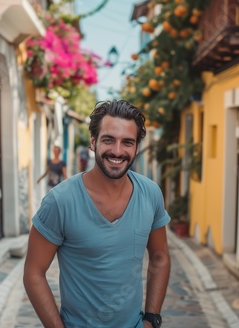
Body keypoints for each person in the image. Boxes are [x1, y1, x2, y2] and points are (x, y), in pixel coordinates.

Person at [24, 99, 171, 328]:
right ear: (93, 142)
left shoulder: (150, 194)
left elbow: (160, 258)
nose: (117, 151)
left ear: (136, 148)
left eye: (127, 142)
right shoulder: (60, 201)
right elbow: (34, 272)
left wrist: (152, 319)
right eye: (108, 140)